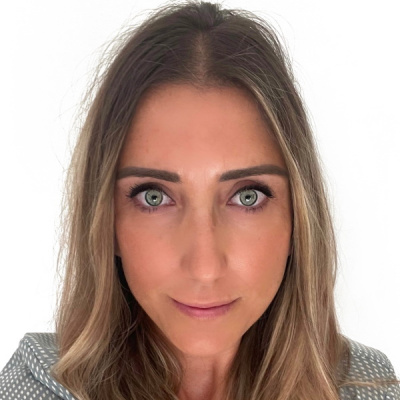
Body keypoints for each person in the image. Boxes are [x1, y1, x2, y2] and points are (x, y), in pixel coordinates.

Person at [0, 1, 398, 399]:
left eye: (247, 197)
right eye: (154, 197)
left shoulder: (366, 387)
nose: (205, 268)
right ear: (105, 221)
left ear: (299, 221)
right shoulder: (40, 387)